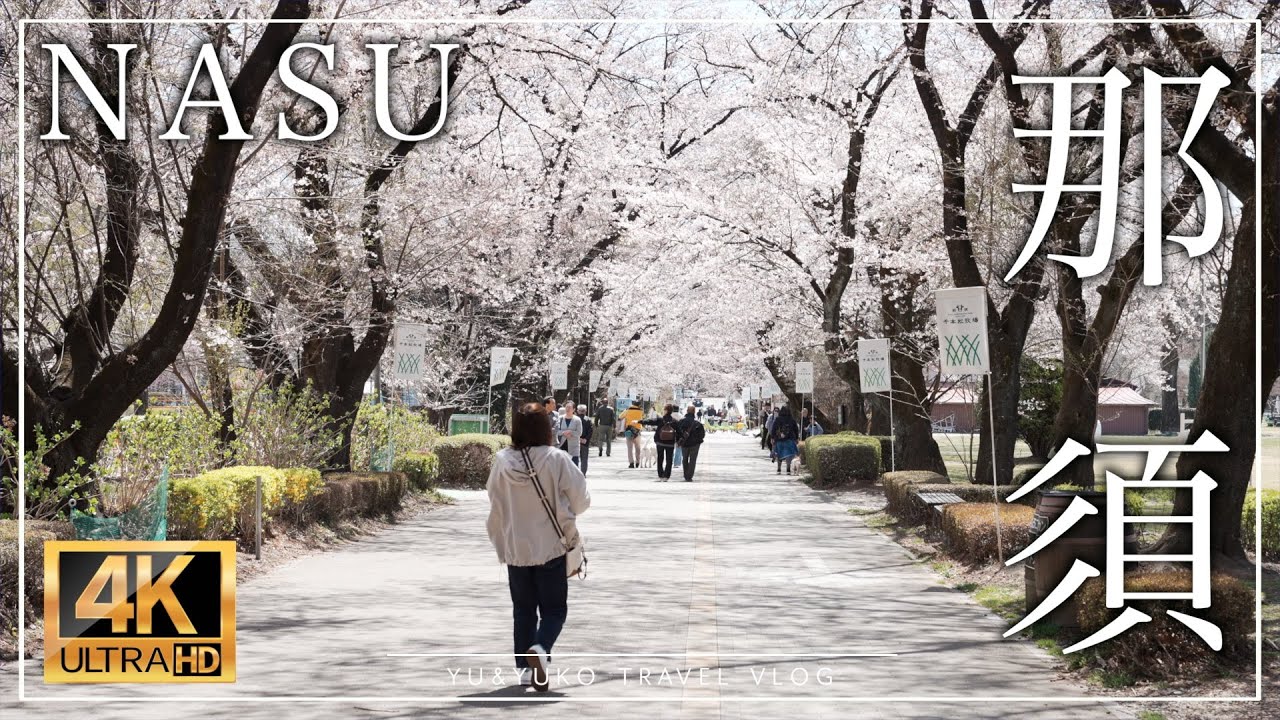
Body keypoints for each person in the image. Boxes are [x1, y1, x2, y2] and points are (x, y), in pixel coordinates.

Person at [486, 403, 590, 692]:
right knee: (554, 610)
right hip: (551, 546)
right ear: (546, 428)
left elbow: (494, 500)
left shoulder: (502, 461)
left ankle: (523, 669)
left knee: (523, 610)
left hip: (516, 548)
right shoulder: (556, 459)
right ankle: (541, 648)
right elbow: (582, 500)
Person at [643, 404, 683, 481]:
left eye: (664, 409)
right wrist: (678, 441)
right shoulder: (674, 421)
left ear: (666, 411)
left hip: (660, 442)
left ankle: (661, 475)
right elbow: (679, 432)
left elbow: (651, 421)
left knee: (660, 458)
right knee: (669, 460)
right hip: (670, 443)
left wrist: (640, 421)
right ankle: (666, 476)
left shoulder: (661, 420)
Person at [676, 405, 706, 482]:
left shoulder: (682, 422)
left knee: (684, 459)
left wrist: (678, 441)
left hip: (684, 443)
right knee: (693, 460)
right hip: (695, 444)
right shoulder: (697, 423)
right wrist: (698, 441)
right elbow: (702, 434)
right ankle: (689, 476)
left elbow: (677, 432)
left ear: (687, 411)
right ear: (694, 412)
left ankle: (686, 474)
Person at [771, 405, 801, 475]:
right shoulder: (792, 419)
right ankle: (788, 468)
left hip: (779, 439)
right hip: (790, 439)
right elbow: (796, 429)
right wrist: (797, 438)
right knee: (789, 454)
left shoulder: (778, 419)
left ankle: (779, 468)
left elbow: (773, 429)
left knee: (779, 454)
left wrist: (772, 438)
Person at [558, 401, 583, 467]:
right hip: (561, 447)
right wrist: (563, 433)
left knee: (574, 467)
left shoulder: (577, 420)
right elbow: (556, 431)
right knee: (562, 468)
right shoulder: (560, 418)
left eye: (569, 407)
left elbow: (579, 432)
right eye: (566, 407)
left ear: (574, 409)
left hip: (573, 448)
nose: (567, 409)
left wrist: (571, 432)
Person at [621, 400, 646, 468]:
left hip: (629, 431)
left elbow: (620, 417)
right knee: (638, 447)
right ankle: (637, 462)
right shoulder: (641, 411)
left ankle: (631, 463)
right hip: (637, 431)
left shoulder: (627, 410)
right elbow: (643, 418)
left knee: (630, 448)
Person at [577, 409, 593, 476]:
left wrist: (578, 438)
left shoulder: (575, 419)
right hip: (585, 442)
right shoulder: (588, 419)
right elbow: (590, 431)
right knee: (584, 458)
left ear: (578, 411)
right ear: (585, 411)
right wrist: (586, 439)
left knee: (575, 458)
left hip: (576, 441)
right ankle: (583, 473)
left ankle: (576, 473)